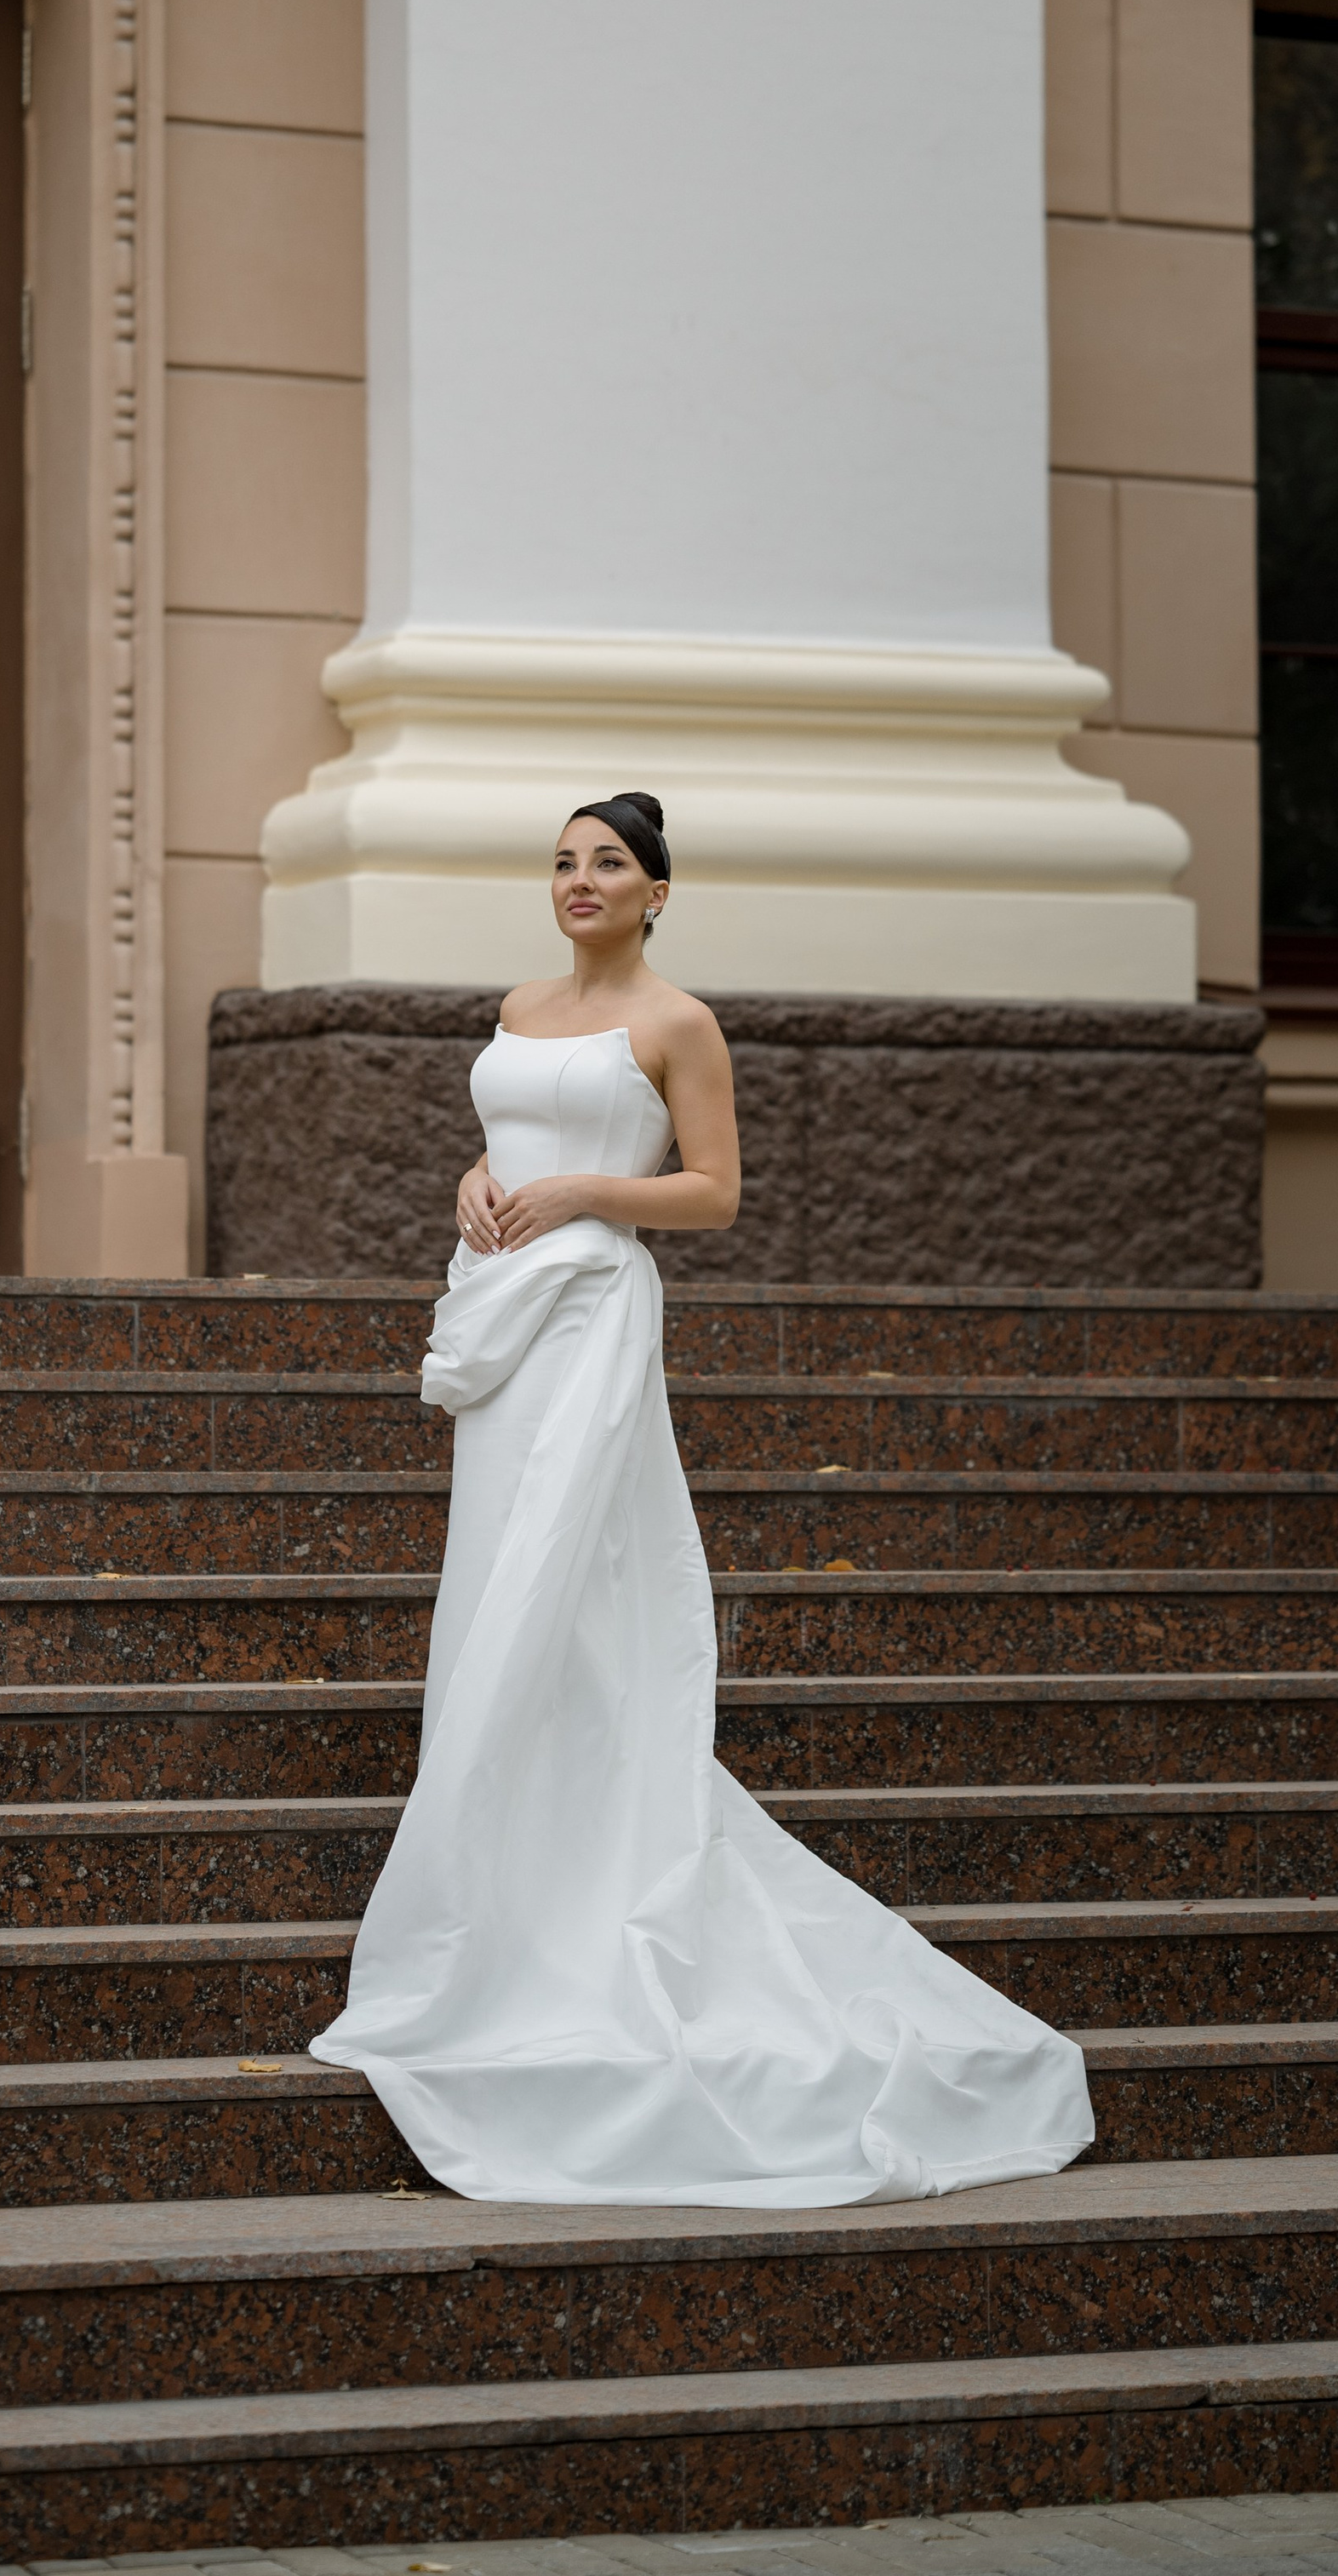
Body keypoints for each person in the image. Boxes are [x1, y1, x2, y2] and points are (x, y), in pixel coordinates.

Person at [309, 791, 1095, 2207]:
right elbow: (511, 1140)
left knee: (573, 1569)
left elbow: (718, 1193)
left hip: (596, 1317)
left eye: (608, 863)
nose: (579, 880)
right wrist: (483, 1183)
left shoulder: (678, 1022)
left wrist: (586, 1197)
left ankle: (599, 1881)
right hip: (507, 1313)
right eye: (563, 862)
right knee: (498, 1578)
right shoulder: (516, 1002)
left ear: (659, 889)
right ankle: (497, 1870)